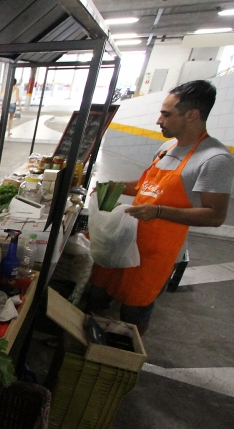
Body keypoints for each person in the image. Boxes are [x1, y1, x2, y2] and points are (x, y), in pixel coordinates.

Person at [88, 80, 233, 334]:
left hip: (154, 255)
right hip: (126, 239)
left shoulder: (215, 159)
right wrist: (116, 186)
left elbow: (215, 216)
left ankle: (124, 358)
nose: (158, 120)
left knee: (133, 313)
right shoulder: (167, 147)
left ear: (192, 115)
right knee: (98, 294)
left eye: (166, 114)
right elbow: (147, 186)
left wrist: (158, 212)